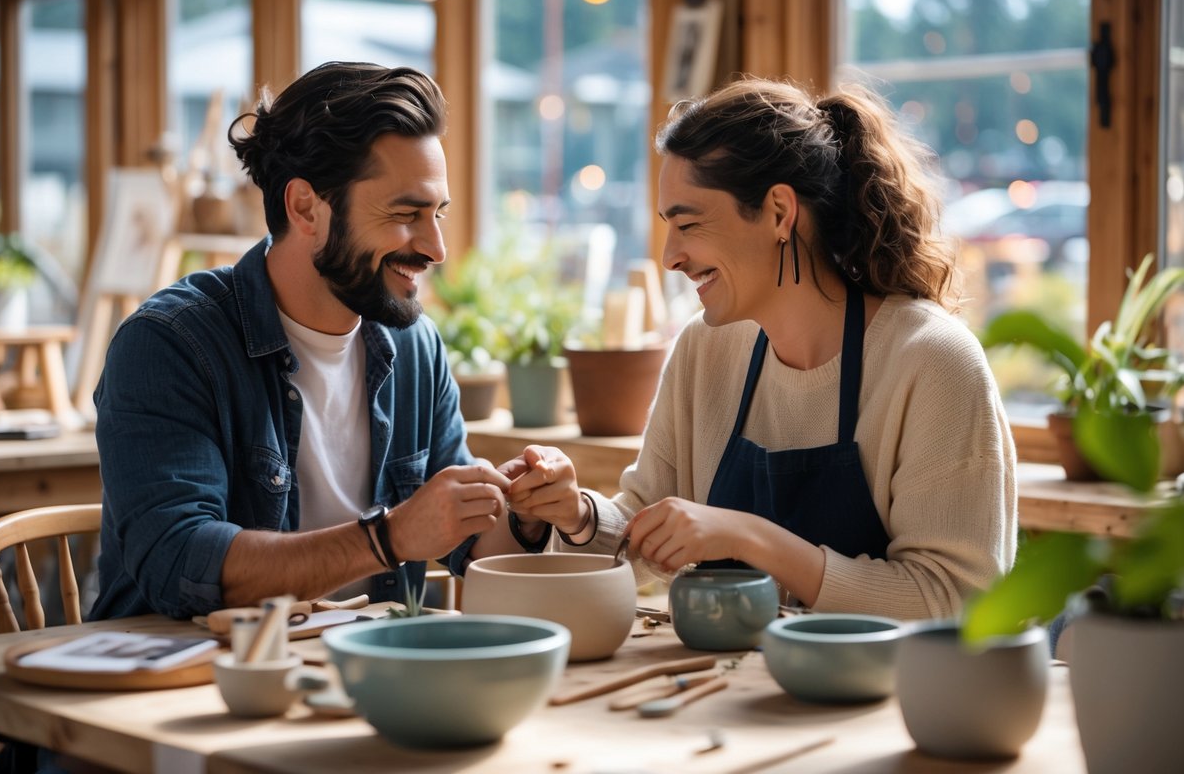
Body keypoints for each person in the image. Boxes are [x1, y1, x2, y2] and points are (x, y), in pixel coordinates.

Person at [89, 62, 577, 621]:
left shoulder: (414, 345)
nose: (437, 247)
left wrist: (527, 515)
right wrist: (386, 538)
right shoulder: (169, 344)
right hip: (184, 685)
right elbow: (179, 564)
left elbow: (471, 543)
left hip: (367, 679)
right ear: (305, 208)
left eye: (437, 214)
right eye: (405, 214)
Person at [527, 77, 1017, 619]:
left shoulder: (933, 362)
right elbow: (645, 529)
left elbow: (954, 602)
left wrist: (752, 539)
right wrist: (576, 514)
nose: (671, 256)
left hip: (889, 701)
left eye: (688, 224)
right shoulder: (704, 349)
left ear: (780, 212)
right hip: (736, 692)